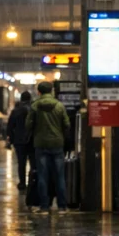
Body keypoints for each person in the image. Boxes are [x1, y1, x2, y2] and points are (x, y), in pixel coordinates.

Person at [27, 81, 70, 212]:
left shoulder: (34, 106)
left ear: (39, 92)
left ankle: (44, 206)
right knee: (59, 176)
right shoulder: (59, 106)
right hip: (57, 144)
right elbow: (67, 124)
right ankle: (62, 206)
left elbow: (28, 125)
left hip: (40, 144)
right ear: (51, 91)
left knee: (42, 176)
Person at [6, 91, 35, 191]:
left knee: (21, 163)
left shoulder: (16, 111)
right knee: (33, 163)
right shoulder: (33, 109)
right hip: (32, 140)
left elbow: (10, 126)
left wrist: (11, 139)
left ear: (21, 99)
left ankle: (22, 183)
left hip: (19, 141)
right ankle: (33, 182)